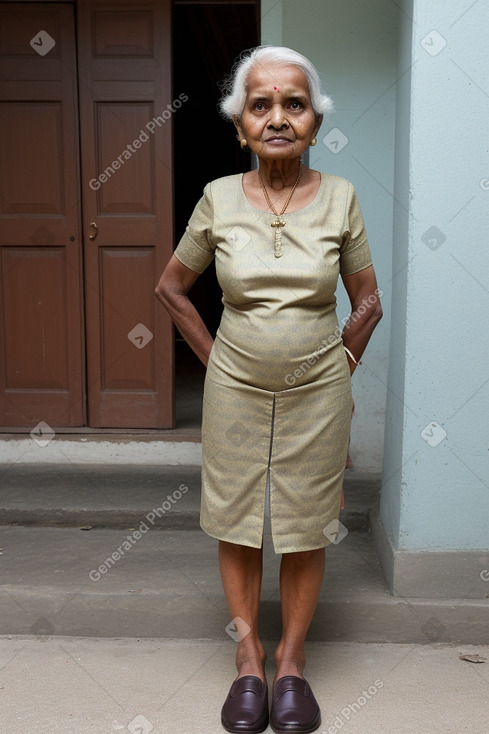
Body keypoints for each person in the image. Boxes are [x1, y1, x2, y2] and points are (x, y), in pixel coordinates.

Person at [155, 45, 383, 734]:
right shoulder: (218, 199)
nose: (278, 116)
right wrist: (214, 357)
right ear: (240, 126)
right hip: (236, 392)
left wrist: (337, 366)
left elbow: (368, 301)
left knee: (306, 525)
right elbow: (170, 289)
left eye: (294, 104)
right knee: (236, 521)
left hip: (317, 396)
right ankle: (248, 660)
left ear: (314, 121)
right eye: (261, 105)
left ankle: (292, 662)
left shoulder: (340, 196)